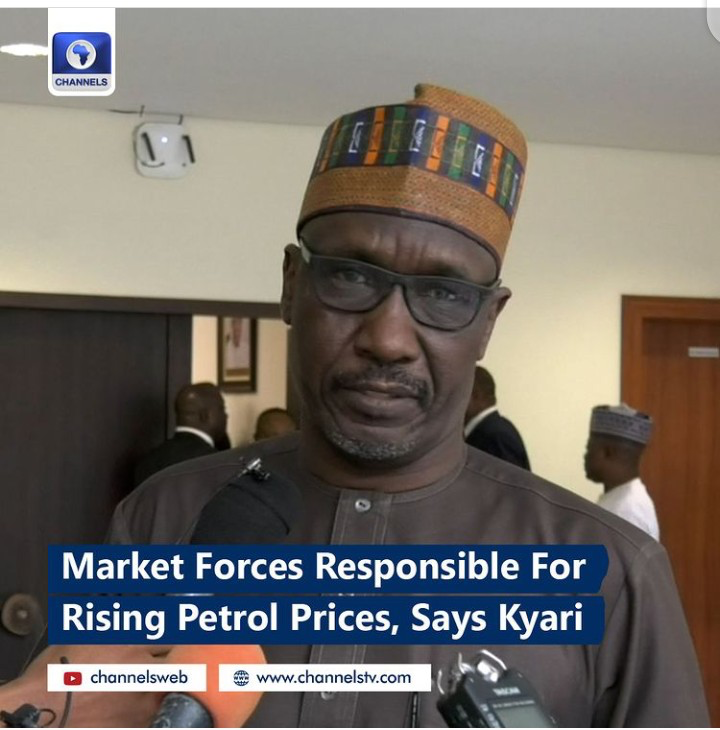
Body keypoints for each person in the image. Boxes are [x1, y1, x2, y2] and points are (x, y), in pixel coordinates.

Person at [5, 84, 708, 727]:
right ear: (291, 285)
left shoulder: (609, 571)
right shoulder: (165, 517)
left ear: (489, 322)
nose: (388, 339)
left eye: (443, 293)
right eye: (349, 277)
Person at [584, 403, 660, 540]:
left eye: (589, 449)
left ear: (608, 452)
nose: (585, 456)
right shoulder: (619, 499)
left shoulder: (627, 511)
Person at [132, 382, 228, 487]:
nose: (226, 415)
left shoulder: (148, 462)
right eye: (222, 409)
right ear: (204, 415)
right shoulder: (216, 464)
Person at [464, 365, 531, 469]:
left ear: (475, 395)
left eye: (456, 394)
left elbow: (506, 479)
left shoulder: (495, 437)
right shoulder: (494, 431)